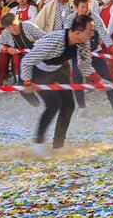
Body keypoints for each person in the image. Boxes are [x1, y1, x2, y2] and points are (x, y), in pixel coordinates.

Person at [18, 13, 101, 159]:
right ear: (77, 32)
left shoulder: (83, 42)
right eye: (90, 31)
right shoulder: (54, 40)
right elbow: (26, 61)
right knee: (53, 104)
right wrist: (27, 82)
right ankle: (38, 142)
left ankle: (58, 145)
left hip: (59, 69)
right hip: (37, 70)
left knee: (69, 104)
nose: (92, 35)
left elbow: (84, 65)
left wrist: (99, 80)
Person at [66, 0, 113, 115]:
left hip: (95, 52)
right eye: (82, 7)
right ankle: (82, 107)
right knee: (77, 81)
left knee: (107, 78)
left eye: (87, 7)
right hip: (78, 54)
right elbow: (67, 37)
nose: (85, 9)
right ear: (76, 7)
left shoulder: (95, 18)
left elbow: (104, 34)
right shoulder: (70, 19)